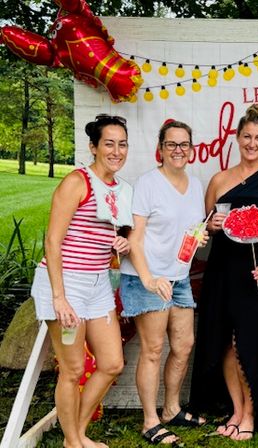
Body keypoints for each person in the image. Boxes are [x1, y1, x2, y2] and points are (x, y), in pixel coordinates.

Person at [189, 104, 258, 441]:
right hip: (222, 271)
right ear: (237, 138)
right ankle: (236, 409)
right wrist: (212, 224)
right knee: (223, 343)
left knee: (247, 344)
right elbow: (202, 229)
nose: (252, 143)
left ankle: (252, 412)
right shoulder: (219, 179)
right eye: (246, 137)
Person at [30, 114, 132, 448]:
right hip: (64, 284)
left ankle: (77, 433)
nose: (116, 151)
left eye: (122, 144)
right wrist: (60, 298)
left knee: (112, 363)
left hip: (97, 283)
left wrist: (122, 244)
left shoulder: (121, 189)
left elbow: (105, 237)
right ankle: (73, 442)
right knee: (73, 370)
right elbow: (52, 241)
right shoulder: (78, 182)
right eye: (109, 144)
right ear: (94, 147)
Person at [119, 120, 208, 446]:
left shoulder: (196, 186)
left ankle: (171, 409)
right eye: (171, 144)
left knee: (184, 345)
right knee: (154, 349)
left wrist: (199, 237)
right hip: (147, 276)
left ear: (192, 149)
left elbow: (189, 229)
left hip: (179, 277)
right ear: (161, 148)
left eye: (184, 144)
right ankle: (150, 420)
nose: (178, 150)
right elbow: (135, 237)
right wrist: (149, 278)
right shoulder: (148, 183)